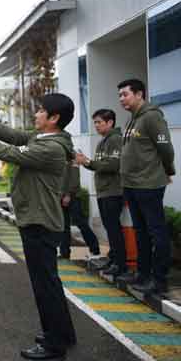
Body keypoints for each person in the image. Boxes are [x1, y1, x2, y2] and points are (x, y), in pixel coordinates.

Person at [0, 93, 76, 360]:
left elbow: (7, 152)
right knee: (50, 284)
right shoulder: (43, 138)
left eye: (41, 111)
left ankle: (54, 346)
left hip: (40, 223)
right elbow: (10, 135)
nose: (36, 114)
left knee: (44, 286)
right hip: (38, 220)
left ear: (54, 118)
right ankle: (63, 334)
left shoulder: (52, 148)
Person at [116, 79, 175, 294]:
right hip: (131, 184)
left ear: (139, 94)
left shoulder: (151, 116)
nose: (122, 99)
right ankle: (143, 274)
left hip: (148, 184)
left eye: (125, 94)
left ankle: (159, 280)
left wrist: (168, 170)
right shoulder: (133, 120)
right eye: (120, 95)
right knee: (140, 232)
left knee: (155, 232)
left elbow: (166, 148)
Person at [76, 109, 126, 277]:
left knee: (113, 228)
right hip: (103, 191)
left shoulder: (116, 140)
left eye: (99, 122)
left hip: (114, 191)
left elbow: (113, 165)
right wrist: (86, 162)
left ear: (110, 122)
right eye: (95, 122)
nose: (96, 126)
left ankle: (120, 263)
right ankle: (113, 259)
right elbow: (99, 165)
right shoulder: (102, 142)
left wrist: (88, 161)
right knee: (109, 228)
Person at [59, 159, 101, 261]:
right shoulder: (58, 154)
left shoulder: (72, 156)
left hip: (72, 196)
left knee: (80, 222)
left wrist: (68, 194)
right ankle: (64, 253)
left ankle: (95, 248)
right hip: (61, 196)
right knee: (64, 225)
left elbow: (74, 177)